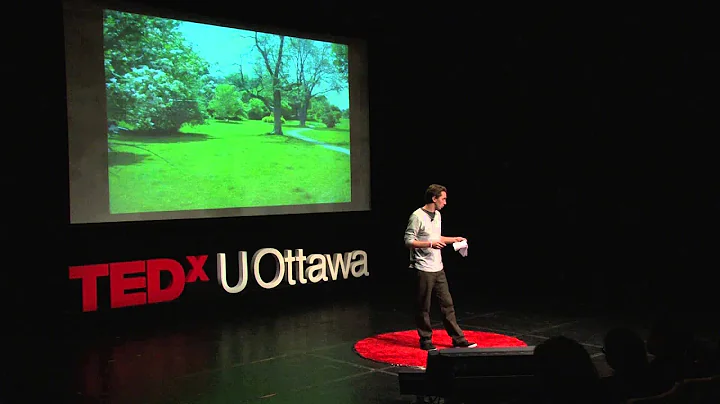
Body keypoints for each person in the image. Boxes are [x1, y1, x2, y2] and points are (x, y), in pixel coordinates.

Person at [404, 184, 477, 351]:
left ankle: (458, 338)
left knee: (447, 304)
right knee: (423, 306)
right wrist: (429, 244)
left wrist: (454, 239)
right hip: (423, 268)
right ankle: (426, 340)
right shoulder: (417, 216)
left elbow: (437, 237)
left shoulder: (437, 215)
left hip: (438, 267)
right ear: (433, 198)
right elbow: (408, 241)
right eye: (443, 198)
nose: (445, 202)